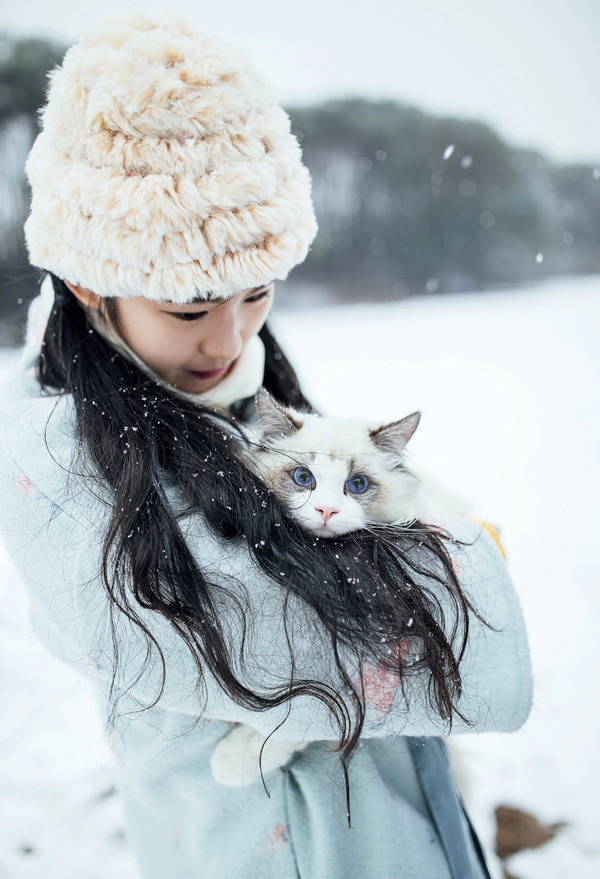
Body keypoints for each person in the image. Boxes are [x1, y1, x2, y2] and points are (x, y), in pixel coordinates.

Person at [0, 16, 532, 879]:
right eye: (190, 306)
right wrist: (455, 566)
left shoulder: (237, 386)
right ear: (88, 282)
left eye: (257, 292)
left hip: (382, 816)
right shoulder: (54, 453)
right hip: (265, 842)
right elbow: (277, 634)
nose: (230, 335)